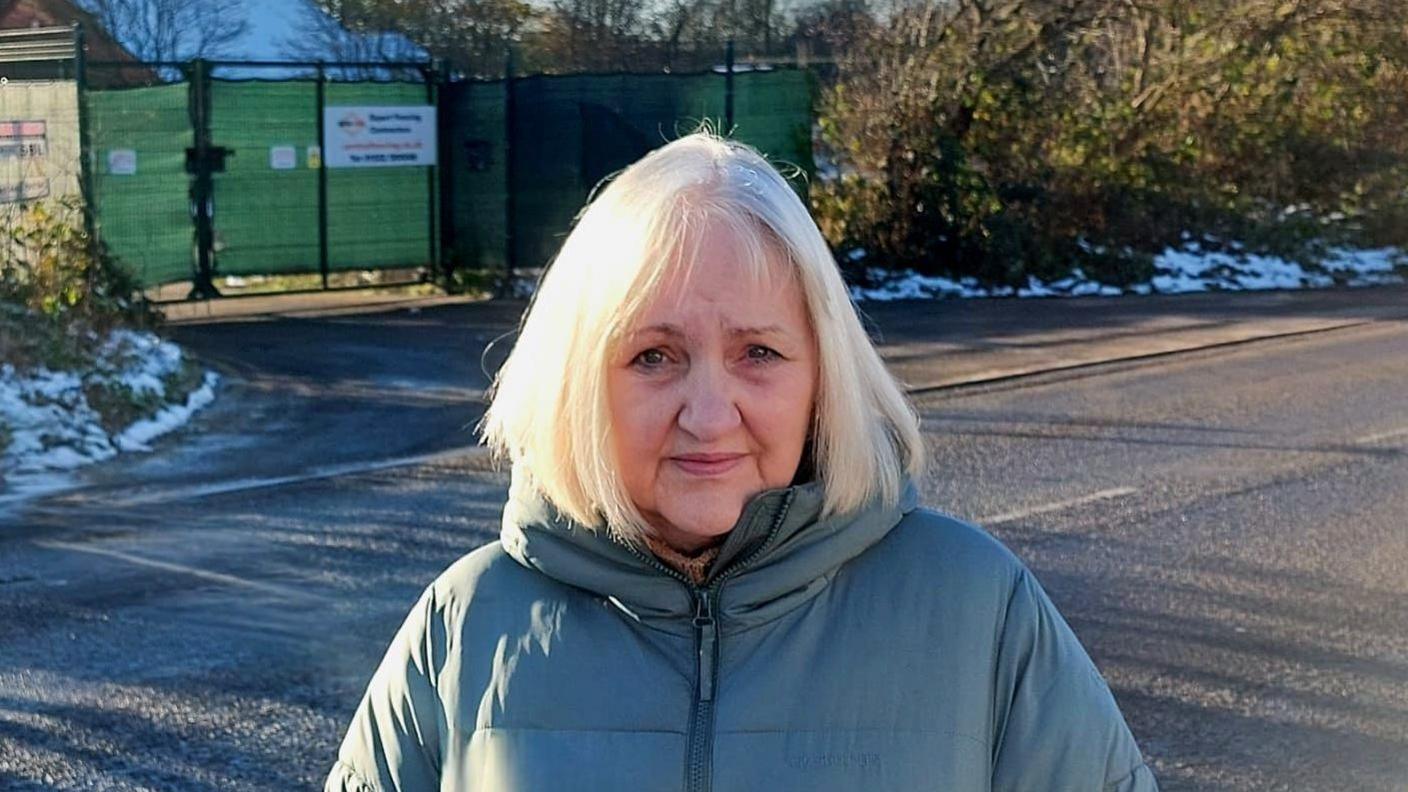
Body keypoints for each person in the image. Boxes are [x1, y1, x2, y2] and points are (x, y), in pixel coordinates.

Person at [324, 130, 1159, 791]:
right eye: (653, 356)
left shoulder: (979, 608)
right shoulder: (468, 626)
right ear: (579, 379)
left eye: (758, 351)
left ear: (823, 375)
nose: (710, 413)